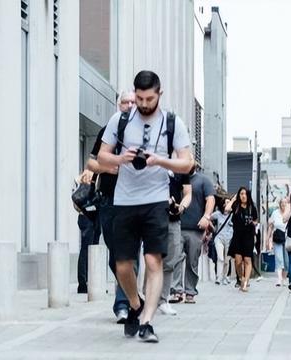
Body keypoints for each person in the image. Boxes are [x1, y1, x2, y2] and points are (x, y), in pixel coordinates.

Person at [98, 70, 194, 342]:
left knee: (153, 260)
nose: (142, 103)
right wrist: (121, 159)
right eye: (139, 98)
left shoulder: (173, 122)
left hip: (155, 199)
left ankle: (147, 322)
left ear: (159, 94)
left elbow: (187, 163)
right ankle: (136, 305)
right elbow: (101, 159)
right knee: (123, 265)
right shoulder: (121, 120)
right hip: (125, 200)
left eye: (148, 98)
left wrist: (159, 160)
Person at [84, 89, 134, 322]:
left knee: (128, 253)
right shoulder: (108, 131)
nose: (130, 106)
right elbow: (91, 163)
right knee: (116, 256)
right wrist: (108, 168)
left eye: (134, 102)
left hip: (135, 201)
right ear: (118, 105)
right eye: (126, 102)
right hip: (109, 200)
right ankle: (132, 295)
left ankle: (124, 304)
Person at [176, 164, 216, 303]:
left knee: (192, 261)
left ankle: (190, 291)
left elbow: (210, 199)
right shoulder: (176, 178)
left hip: (195, 228)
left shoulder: (203, 180)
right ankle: (176, 291)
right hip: (177, 226)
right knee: (175, 259)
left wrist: (206, 217)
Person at [157, 171, 191, 316]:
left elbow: (188, 192)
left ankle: (163, 300)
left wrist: (181, 207)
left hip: (173, 219)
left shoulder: (180, 164)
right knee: (152, 257)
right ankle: (147, 298)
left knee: (171, 259)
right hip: (153, 215)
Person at [227, 187, 259, 292]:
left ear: (248, 195)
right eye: (241, 194)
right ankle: (241, 278)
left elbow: (256, 220)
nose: (243, 196)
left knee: (247, 260)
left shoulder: (252, 207)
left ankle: (245, 283)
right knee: (238, 261)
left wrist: (253, 223)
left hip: (248, 236)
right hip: (237, 236)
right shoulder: (236, 206)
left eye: (245, 194)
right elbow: (227, 209)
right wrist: (233, 198)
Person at [211, 198, 233, 285]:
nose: (229, 204)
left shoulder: (232, 215)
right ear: (223, 204)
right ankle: (218, 277)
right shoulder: (218, 214)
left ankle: (224, 277)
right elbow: (208, 217)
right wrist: (212, 228)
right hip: (219, 238)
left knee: (227, 260)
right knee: (220, 258)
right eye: (227, 202)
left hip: (229, 239)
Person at [267, 198, 289, 286]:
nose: (283, 204)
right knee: (279, 259)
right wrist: (267, 239)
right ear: (279, 204)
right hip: (277, 238)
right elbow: (271, 226)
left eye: (285, 203)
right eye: (282, 203)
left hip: (287, 239)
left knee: (287, 261)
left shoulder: (288, 213)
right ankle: (279, 279)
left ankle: (284, 278)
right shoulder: (275, 213)